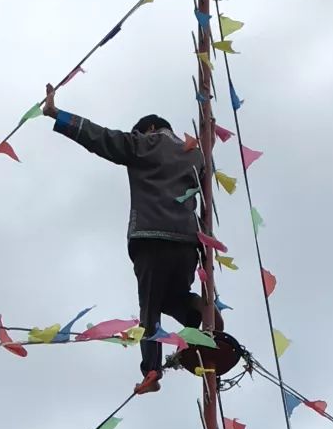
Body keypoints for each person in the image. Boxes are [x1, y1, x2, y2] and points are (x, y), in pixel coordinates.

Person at [43, 82, 222, 396]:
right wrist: (210, 135)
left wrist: (57, 114)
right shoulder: (196, 155)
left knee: (150, 309)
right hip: (187, 244)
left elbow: (101, 138)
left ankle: (152, 371)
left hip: (151, 237)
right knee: (170, 297)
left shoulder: (144, 144)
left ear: (149, 129)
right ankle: (196, 312)